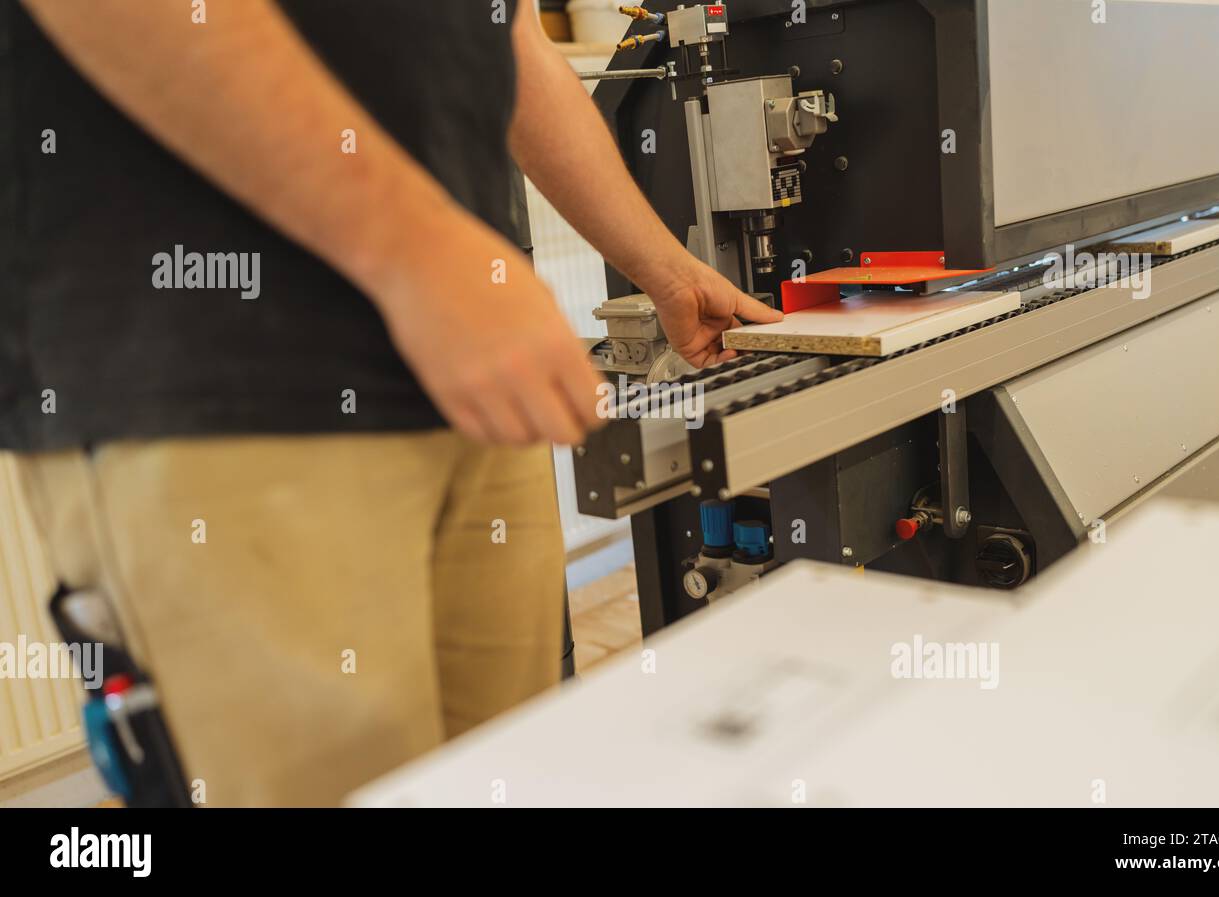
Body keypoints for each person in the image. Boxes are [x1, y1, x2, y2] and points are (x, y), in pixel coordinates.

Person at [1, 0, 781, 806]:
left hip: (462, 369)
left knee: (499, 777)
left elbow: (503, 32)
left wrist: (667, 271)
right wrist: (419, 257)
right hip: (215, 375)